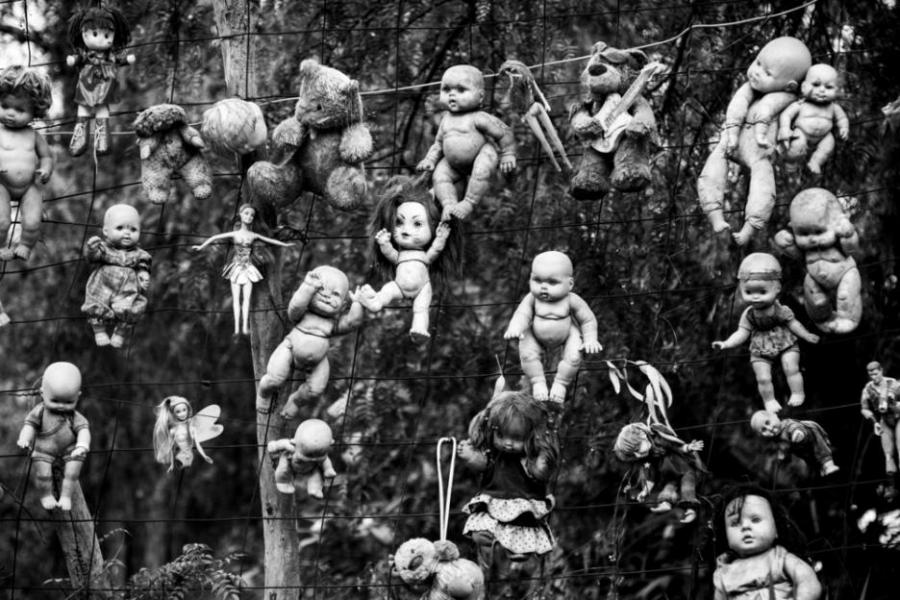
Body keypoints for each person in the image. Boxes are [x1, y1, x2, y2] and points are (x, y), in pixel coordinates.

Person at [697, 36, 812, 245]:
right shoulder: (748, 89)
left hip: (759, 153)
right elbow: (736, 108)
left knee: (763, 187)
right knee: (712, 169)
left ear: (789, 86)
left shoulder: (788, 100)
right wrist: (732, 134)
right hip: (731, 141)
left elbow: (780, 120)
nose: (757, 72)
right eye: (758, 63)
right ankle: (714, 215)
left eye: (767, 73)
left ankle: (750, 227)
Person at [356, 176, 459, 342]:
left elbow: (435, 250)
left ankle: (419, 329)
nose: (405, 230)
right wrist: (384, 244)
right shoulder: (400, 256)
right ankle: (376, 302)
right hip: (399, 285)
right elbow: (391, 254)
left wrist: (441, 238)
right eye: (399, 222)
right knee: (387, 291)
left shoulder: (424, 256)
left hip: (423, 287)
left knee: (421, 309)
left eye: (417, 224)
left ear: (432, 226)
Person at [712, 253, 820, 413]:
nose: (755, 297)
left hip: (785, 341)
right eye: (748, 292)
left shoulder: (780, 310)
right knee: (763, 378)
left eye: (762, 292)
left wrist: (806, 335)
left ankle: (797, 392)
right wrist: (726, 343)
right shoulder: (749, 314)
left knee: (791, 368)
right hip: (759, 346)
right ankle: (769, 400)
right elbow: (742, 332)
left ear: (777, 289)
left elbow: (793, 324)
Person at [256, 266, 364, 419]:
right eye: (321, 289)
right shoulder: (303, 314)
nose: (326, 296)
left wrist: (357, 303)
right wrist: (308, 287)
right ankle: (264, 394)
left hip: (318, 360)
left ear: (344, 305)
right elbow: (295, 307)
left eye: (335, 294)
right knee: (274, 379)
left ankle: (295, 401)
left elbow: (352, 323)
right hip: (290, 347)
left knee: (315, 390)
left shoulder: (333, 324)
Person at [417, 64, 516, 221]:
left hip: (480, 154)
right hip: (453, 164)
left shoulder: (479, 118)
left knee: (482, 168)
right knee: (439, 177)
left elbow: (503, 133)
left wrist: (508, 153)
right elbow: (438, 144)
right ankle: (449, 204)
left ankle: (469, 202)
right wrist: (429, 159)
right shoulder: (445, 120)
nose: (452, 94)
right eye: (446, 89)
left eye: (461, 90)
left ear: (480, 97)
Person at [504, 251, 602, 402]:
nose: (543, 287)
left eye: (552, 282)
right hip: (535, 334)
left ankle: (561, 383)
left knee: (574, 357)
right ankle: (537, 381)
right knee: (527, 354)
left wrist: (590, 339)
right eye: (537, 280)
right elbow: (522, 314)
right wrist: (515, 327)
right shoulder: (532, 299)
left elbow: (587, 320)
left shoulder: (572, 300)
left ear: (570, 284)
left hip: (567, 334)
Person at [192, 204, 293, 336]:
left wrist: (286, 244)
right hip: (236, 267)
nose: (249, 217)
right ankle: (236, 328)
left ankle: (244, 327)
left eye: (252, 215)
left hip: (248, 267)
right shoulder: (234, 234)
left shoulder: (253, 235)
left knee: (246, 299)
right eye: (246, 213)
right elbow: (215, 237)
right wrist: (201, 246)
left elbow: (270, 240)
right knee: (236, 299)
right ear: (240, 214)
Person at [713, 485, 822, 600]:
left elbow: (807, 581)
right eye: (735, 523)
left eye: (755, 520)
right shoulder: (725, 571)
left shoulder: (780, 558)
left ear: (776, 529)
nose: (745, 526)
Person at [17, 362, 90, 511]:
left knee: (72, 473)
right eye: (55, 401)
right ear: (42, 393)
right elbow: (29, 426)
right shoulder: (40, 412)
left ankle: (66, 496)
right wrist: (24, 438)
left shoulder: (74, 416)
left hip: (70, 448)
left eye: (69, 402)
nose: (61, 406)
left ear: (78, 396)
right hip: (44, 448)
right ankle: (46, 495)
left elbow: (84, 430)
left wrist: (82, 445)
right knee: (43, 474)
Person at [0, 66, 53, 260]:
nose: (10, 114)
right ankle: (1, 246)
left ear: (35, 110)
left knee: (32, 222)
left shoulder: (34, 135)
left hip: (29, 187)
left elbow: (47, 157)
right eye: (4, 106)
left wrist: (45, 170)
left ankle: (25, 245)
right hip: (1, 185)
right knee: (1, 221)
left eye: (20, 110)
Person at [66, 6, 135, 155]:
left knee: (103, 107)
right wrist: (74, 59)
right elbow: (80, 58)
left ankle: (102, 136)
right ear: (83, 32)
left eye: (107, 35)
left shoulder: (110, 56)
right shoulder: (86, 54)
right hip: (87, 81)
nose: (100, 39)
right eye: (95, 34)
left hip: (105, 82)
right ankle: (80, 135)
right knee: (83, 105)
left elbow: (118, 60)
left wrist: (126, 60)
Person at [81, 204, 151, 348]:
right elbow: (92, 258)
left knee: (130, 305)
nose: (127, 233)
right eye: (120, 228)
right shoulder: (104, 248)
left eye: (133, 229)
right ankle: (99, 330)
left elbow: (144, 264)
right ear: (106, 231)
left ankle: (120, 332)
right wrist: (91, 249)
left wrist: (143, 274)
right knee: (97, 301)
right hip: (104, 283)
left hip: (128, 286)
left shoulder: (139, 253)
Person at [613, 422, 705, 523]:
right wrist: (645, 492)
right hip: (669, 473)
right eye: (634, 454)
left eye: (637, 449)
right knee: (670, 485)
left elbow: (676, 447)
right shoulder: (648, 458)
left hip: (682, 467)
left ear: (642, 435)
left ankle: (691, 509)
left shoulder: (660, 440)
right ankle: (666, 502)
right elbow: (651, 476)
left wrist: (688, 448)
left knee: (687, 484)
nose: (637, 455)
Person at [778, 64, 849, 174]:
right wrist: (784, 128)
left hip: (824, 135)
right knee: (796, 145)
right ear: (804, 87)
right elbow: (786, 115)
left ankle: (815, 162)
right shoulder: (801, 104)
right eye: (816, 85)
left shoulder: (834, 107)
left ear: (836, 90)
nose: (822, 90)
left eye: (828, 87)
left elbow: (842, 119)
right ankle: (791, 162)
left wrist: (844, 128)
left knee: (828, 146)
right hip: (802, 132)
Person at [750, 410, 839, 476]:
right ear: (761, 435)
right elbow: (784, 446)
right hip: (803, 449)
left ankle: (829, 464)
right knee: (810, 459)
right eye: (764, 430)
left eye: (767, 422)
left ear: (774, 416)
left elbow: (794, 426)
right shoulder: (777, 439)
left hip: (809, 436)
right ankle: (822, 468)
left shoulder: (786, 425)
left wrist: (797, 432)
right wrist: (782, 454)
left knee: (820, 450)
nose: (769, 428)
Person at [860, 361, 900, 476]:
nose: (874, 377)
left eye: (876, 374)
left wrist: (895, 403)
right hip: (884, 419)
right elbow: (864, 409)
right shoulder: (868, 388)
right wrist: (874, 422)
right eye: (871, 375)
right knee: (888, 454)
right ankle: (891, 474)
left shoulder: (893, 383)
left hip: (898, 416)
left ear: (881, 371)